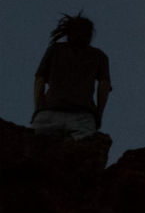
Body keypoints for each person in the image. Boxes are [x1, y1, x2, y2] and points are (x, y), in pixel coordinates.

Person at [31, 11, 112, 140]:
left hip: (49, 112)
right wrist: (99, 113)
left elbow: (39, 80)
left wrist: (38, 108)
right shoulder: (99, 56)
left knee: (38, 154)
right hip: (83, 115)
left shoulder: (55, 49)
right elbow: (104, 86)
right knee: (80, 157)